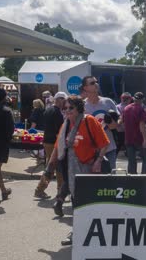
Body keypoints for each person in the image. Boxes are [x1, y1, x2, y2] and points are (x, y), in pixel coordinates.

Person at [48, 95, 110, 244]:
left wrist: (99, 161)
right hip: (72, 172)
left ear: (79, 108)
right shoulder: (65, 125)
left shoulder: (89, 121)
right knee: (77, 203)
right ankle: (78, 232)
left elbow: (104, 143)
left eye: (71, 108)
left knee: (90, 204)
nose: (67, 111)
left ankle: (95, 233)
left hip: (89, 170)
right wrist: (49, 169)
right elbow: (57, 148)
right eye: (65, 108)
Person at [33, 92, 67, 199]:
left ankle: (57, 191)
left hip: (47, 141)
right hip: (54, 142)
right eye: (64, 100)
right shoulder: (57, 113)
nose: (65, 103)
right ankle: (43, 190)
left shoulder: (48, 110)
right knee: (54, 168)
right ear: (59, 99)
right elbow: (59, 131)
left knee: (53, 167)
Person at [81, 76, 119, 171]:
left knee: (110, 181)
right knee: (93, 182)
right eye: (92, 83)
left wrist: (114, 123)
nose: (96, 84)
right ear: (85, 88)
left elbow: (119, 120)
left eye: (96, 82)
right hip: (91, 151)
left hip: (109, 148)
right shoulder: (82, 106)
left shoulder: (108, 102)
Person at [123, 92, 146, 174]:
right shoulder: (141, 109)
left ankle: (132, 177)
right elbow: (142, 125)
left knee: (131, 160)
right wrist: (145, 139)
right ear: (142, 100)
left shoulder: (126, 108)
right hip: (139, 138)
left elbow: (122, 122)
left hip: (128, 137)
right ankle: (144, 177)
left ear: (133, 98)